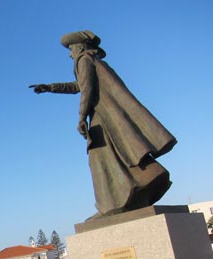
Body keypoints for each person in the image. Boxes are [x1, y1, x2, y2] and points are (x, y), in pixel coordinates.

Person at [31, 30, 177, 220]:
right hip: (107, 116)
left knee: (99, 157)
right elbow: (79, 85)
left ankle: (113, 205)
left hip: (103, 117)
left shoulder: (84, 60)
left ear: (79, 47)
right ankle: (139, 189)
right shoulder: (93, 60)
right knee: (118, 154)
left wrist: (82, 117)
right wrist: (51, 87)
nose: (70, 54)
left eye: (71, 49)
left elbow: (87, 89)